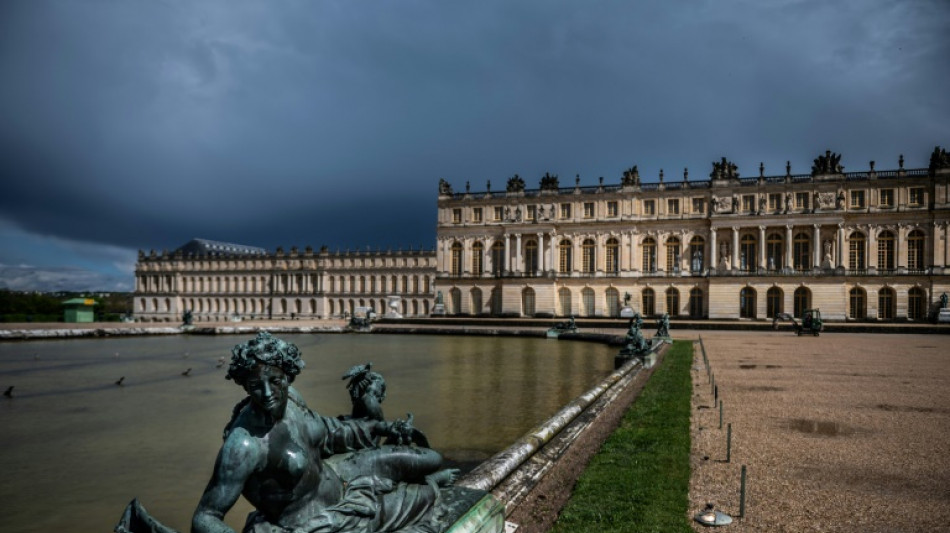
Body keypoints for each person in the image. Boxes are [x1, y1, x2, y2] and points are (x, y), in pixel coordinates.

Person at [192, 332, 457, 533]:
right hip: (319, 520)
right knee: (425, 497)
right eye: (255, 385)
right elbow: (204, 517)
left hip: (340, 474)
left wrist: (382, 427)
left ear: (288, 376)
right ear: (245, 386)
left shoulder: (293, 399)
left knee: (430, 458)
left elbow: (328, 432)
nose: (268, 393)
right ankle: (423, 486)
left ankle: (422, 480)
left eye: (275, 381)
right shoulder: (244, 445)